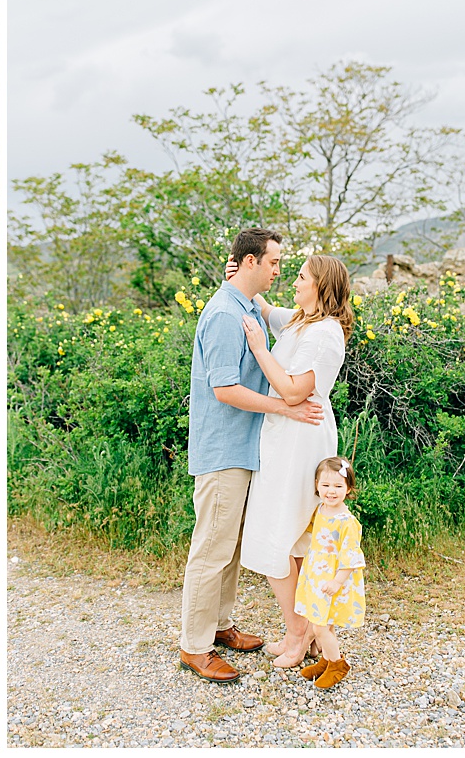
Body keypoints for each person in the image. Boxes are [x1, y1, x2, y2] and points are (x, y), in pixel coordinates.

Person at [178, 227, 324, 683]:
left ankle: (220, 626)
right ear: (250, 263)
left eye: (283, 264)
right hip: (223, 448)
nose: (280, 271)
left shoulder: (244, 306)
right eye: (274, 262)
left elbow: (279, 323)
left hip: (247, 447)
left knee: (231, 544)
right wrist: (285, 406)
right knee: (211, 549)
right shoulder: (224, 313)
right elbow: (224, 389)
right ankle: (195, 647)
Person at [234, 254, 352, 667]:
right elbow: (267, 310)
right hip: (284, 436)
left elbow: (290, 391)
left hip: (302, 437)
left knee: (279, 535)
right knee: (292, 537)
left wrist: (258, 349)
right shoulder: (302, 320)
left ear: (320, 287)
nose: (294, 281)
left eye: (301, 277)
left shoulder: (324, 334)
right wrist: (238, 277)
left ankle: (299, 634)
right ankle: (308, 632)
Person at [293, 456, 367, 689]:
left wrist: (337, 581)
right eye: (325, 485)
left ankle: (337, 664)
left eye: (338, 486)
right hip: (317, 576)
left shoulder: (347, 522)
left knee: (319, 626)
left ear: (349, 488)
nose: (331, 491)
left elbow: (351, 557)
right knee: (327, 623)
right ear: (317, 485)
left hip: (334, 580)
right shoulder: (320, 510)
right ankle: (326, 659)